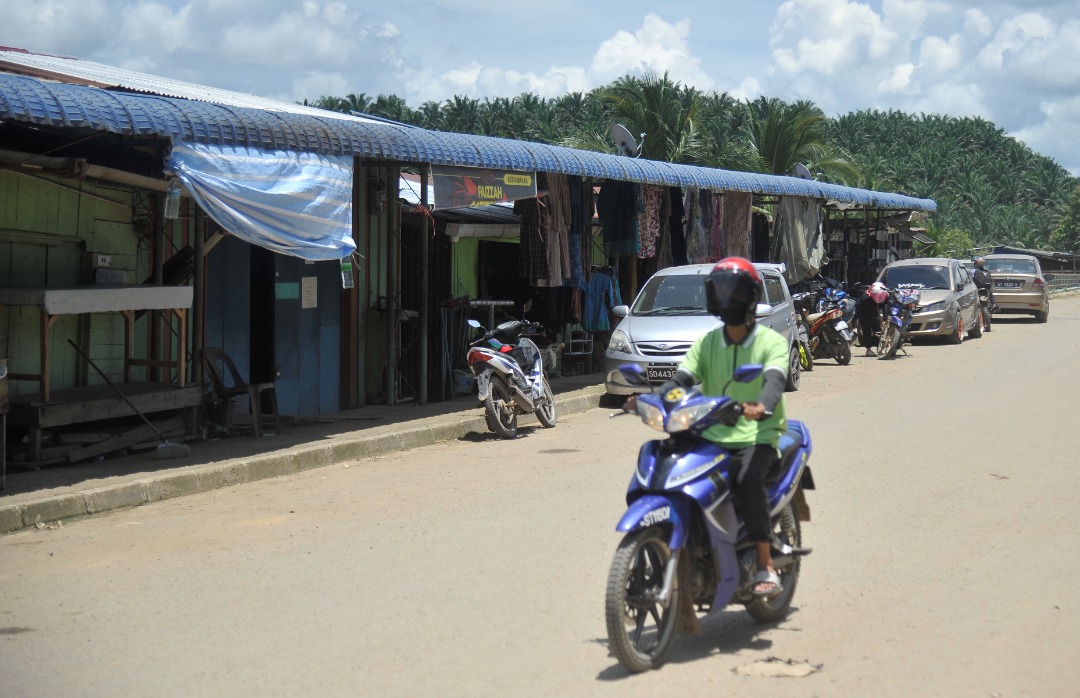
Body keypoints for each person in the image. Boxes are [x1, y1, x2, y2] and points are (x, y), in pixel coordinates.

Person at [630, 257, 789, 596]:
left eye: (735, 292)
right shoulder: (707, 343)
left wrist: (761, 404)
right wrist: (653, 398)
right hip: (713, 432)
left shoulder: (771, 342)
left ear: (751, 296)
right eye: (721, 291)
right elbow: (682, 380)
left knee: (747, 480)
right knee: (670, 464)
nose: (728, 298)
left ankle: (765, 564)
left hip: (758, 434)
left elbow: (775, 379)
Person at [855, 281, 888, 356]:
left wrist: (884, 319)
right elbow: (862, 309)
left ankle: (879, 348)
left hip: (874, 308)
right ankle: (868, 349)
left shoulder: (885, 295)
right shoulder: (865, 298)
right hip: (863, 311)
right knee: (867, 329)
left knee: (878, 329)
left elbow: (884, 306)